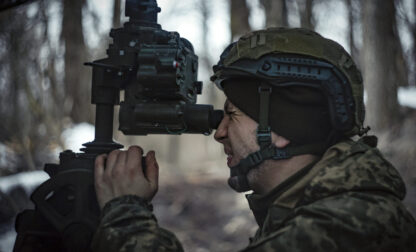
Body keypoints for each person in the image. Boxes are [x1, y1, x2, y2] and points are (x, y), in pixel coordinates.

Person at [91, 28, 416, 251]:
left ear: (280, 130)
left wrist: (126, 212)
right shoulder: (327, 208)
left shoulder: (348, 225)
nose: (219, 132)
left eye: (232, 114)